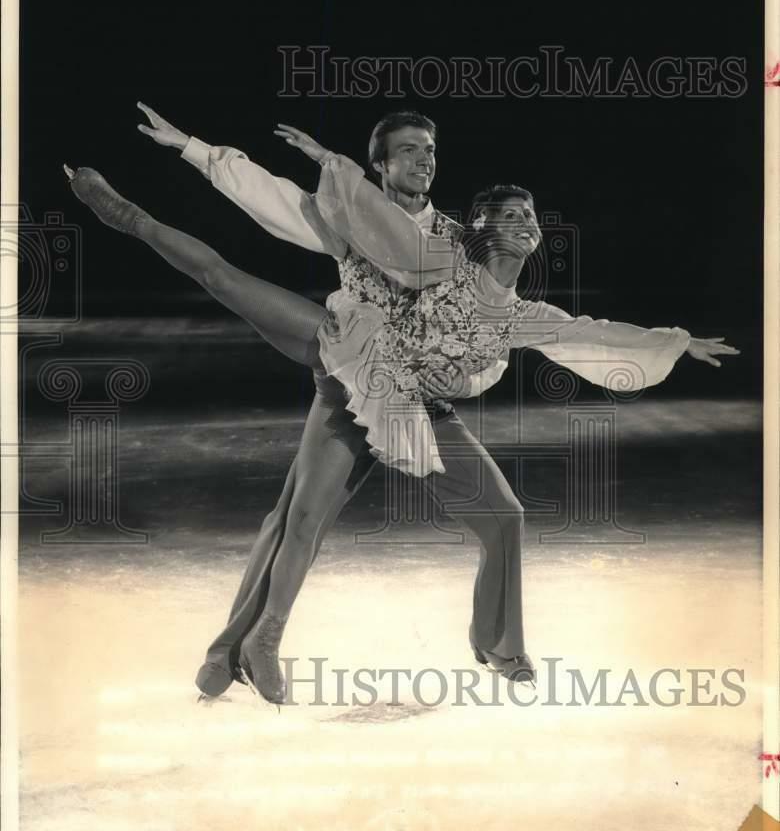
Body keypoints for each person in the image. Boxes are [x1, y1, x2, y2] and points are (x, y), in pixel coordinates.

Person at [64, 105, 738, 706]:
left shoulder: (454, 243)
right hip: (348, 367)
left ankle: (497, 646)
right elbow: (274, 200)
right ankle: (249, 644)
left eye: (431, 150)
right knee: (298, 513)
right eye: (410, 149)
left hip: (419, 403)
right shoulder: (349, 216)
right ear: (381, 163)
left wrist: (670, 343)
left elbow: (565, 325)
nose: (425, 160)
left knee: (499, 514)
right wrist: (192, 145)